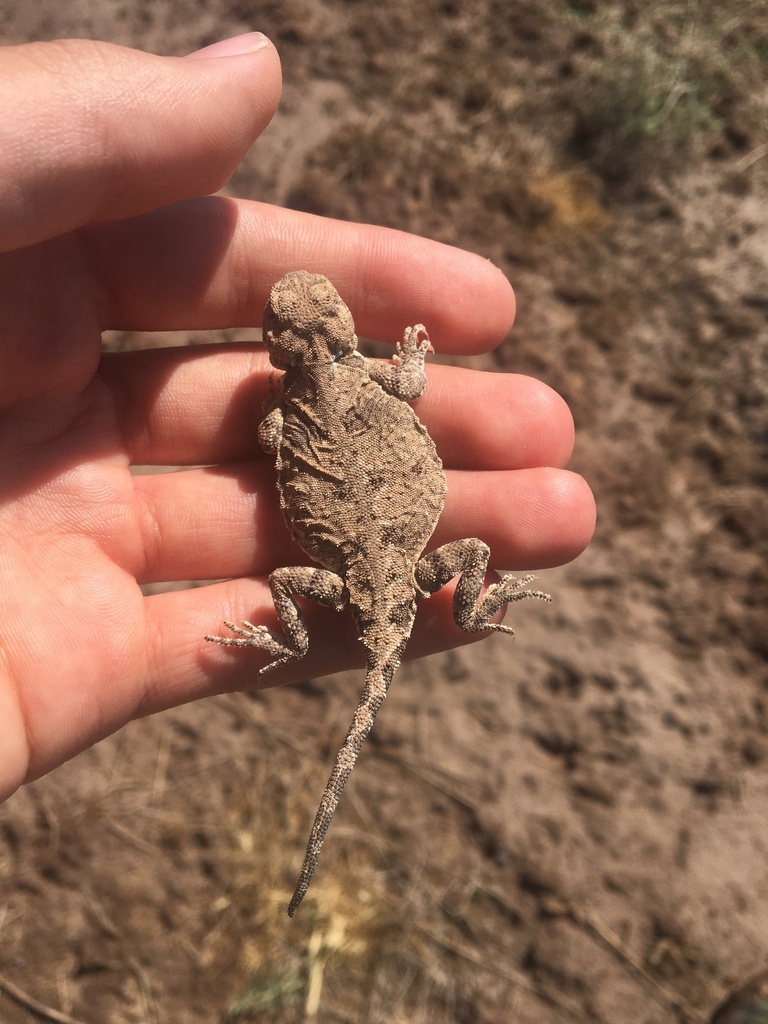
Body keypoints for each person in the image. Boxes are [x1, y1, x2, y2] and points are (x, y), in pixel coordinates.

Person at [0, 33, 595, 802]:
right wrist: (410, 362)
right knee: (472, 547)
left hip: (366, 566)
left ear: (281, 346)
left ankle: (315, 637)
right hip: (399, 555)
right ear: (342, 330)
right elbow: (410, 388)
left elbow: (272, 442)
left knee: (315, 572)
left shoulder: (286, 409)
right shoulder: (375, 377)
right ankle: (478, 607)